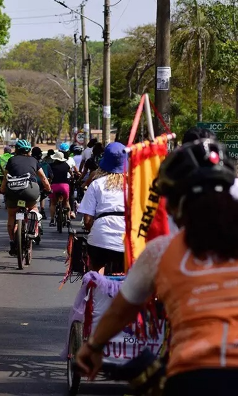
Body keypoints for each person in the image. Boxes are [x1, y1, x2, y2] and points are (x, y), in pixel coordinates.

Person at [76, 139, 238, 395]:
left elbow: (121, 312)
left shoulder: (161, 251)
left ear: (175, 205)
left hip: (192, 376)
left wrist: (93, 347)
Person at [77, 142, 127, 273]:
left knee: (95, 272)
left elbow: (87, 221)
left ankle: (94, 287)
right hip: (128, 241)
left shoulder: (96, 184)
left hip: (100, 239)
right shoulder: (135, 185)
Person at [2, 140, 52, 256]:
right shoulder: (34, 161)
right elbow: (43, 179)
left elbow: (5, 178)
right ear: (29, 150)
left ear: (17, 150)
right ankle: (33, 220)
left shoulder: (11, 160)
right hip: (30, 190)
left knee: (11, 216)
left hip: (13, 191)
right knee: (34, 207)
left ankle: (12, 241)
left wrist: (2, 190)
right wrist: (48, 189)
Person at [48, 151, 74, 226]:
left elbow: (50, 176)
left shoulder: (51, 165)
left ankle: (52, 220)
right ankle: (68, 218)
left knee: (53, 203)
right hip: (64, 186)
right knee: (66, 202)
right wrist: (72, 177)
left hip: (54, 186)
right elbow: (71, 173)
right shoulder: (66, 165)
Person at [32, 146, 53, 219]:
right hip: (43, 183)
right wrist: (48, 185)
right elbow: (51, 176)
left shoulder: (31, 162)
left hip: (33, 183)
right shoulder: (45, 163)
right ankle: (42, 209)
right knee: (43, 194)